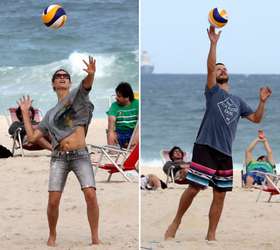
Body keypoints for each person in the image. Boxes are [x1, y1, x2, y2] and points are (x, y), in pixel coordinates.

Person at [164, 26, 272, 242]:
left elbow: (257, 119)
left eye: (224, 69)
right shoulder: (212, 92)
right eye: (218, 69)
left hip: (225, 152)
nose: (221, 70)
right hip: (205, 146)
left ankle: (211, 235)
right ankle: (175, 222)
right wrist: (213, 43)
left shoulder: (238, 101)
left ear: (229, 74)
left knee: (220, 194)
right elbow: (210, 67)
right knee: (194, 188)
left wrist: (261, 102)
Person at [18, 56, 100, 246]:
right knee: (53, 201)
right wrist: (24, 113)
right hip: (59, 158)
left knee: (91, 195)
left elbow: (87, 85)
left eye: (65, 76)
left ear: (70, 82)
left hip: (81, 155)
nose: (62, 77)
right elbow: (32, 138)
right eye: (58, 76)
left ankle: (95, 237)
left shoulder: (77, 97)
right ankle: (52, 235)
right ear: (53, 85)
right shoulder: (49, 115)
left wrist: (91, 75)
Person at [106, 82, 139, 148]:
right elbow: (111, 122)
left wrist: (135, 137)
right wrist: (112, 131)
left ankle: (132, 147)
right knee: (110, 131)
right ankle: (113, 152)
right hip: (119, 133)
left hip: (133, 133)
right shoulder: (114, 105)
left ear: (127, 97)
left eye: (119, 96)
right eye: (116, 95)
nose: (116, 98)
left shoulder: (137, 104)